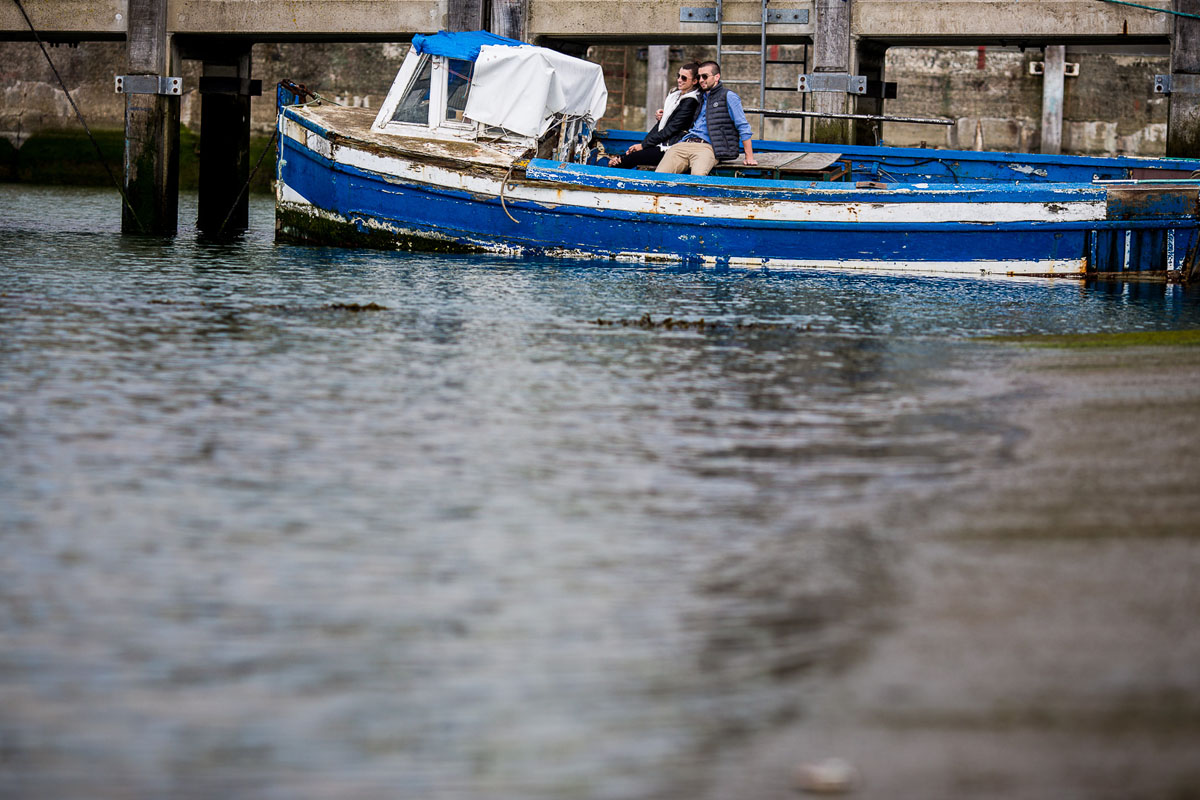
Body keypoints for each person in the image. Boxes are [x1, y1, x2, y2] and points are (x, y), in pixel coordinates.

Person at [655, 61, 757, 176]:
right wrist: (664, 114)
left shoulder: (729, 96)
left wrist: (749, 157)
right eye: (699, 77)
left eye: (705, 76)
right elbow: (681, 113)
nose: (701, 80)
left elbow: (743, 126)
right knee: (658, 177)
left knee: (697, 179)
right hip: (683, 144)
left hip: (707, 147)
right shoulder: (698, 97)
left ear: (717, 77)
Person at [607, 63, 703, 170]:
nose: (679, 80)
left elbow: (671, 129)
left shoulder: (691, 101)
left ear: (694, 81)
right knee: (626, 157)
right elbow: (660, 126)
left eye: (684, 78)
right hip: (662, 143)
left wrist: (643, 146)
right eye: (678, 76)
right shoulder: (675, 95)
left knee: (628, 159)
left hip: (672, 147)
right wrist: (643, 144)